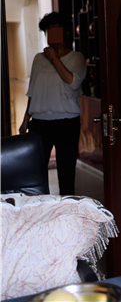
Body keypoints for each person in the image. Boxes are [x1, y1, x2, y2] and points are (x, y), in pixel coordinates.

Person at [19, 12, 87, 196]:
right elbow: (33, 91)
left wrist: (54, 58)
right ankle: (40, 210)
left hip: (67, 123)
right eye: (49, 31)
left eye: (57, 29)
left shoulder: (77, 58)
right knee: (36, 174)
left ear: (66, 33)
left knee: (66, 175)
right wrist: (25, 120)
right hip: (39, 123)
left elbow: (72, 82)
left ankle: (67, 211)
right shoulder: (38, 59)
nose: (53, 34)